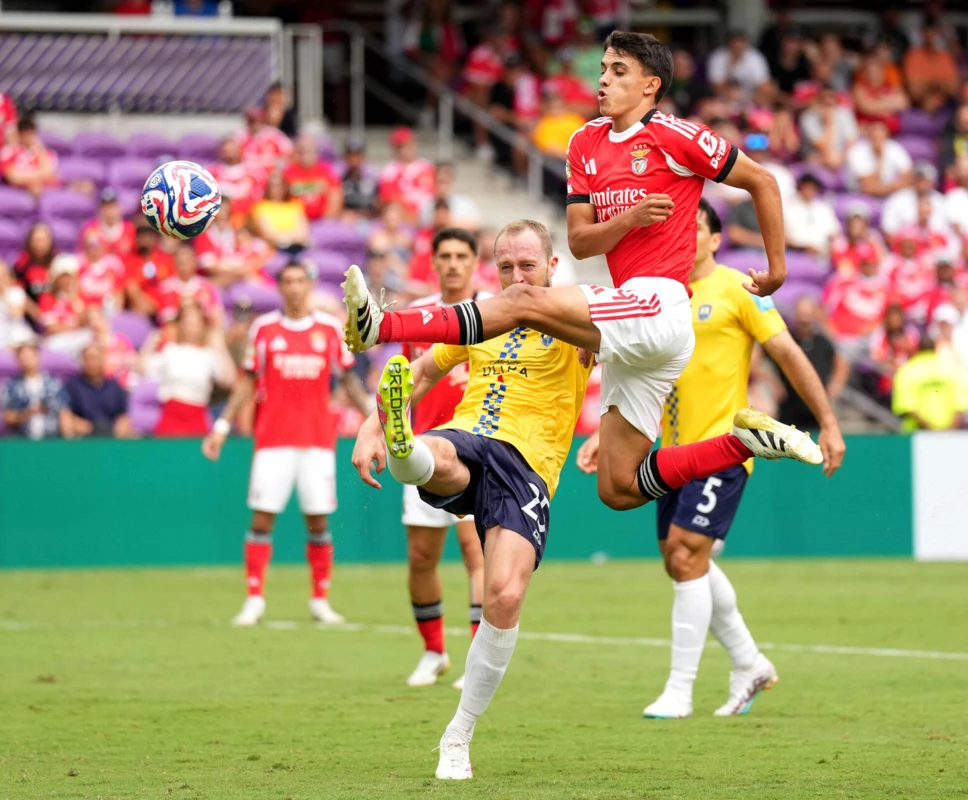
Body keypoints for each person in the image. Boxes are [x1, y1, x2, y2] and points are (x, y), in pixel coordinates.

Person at [342, 31, 825, 522]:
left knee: (522, 299)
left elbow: (762, 180)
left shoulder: (677, 136)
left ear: (650, 85)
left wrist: (778, 269)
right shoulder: (584, 142)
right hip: (634, 317)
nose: (603, 80)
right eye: (603, 70)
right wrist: (629, 219)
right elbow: (580, 241)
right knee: (618, 486)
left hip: (659, 304)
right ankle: (742, 443)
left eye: (619, 71)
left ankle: (381, 325)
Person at [576, 202, 846, 721]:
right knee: (682, 561)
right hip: (669, 454)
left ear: (717, 240)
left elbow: (788, 353)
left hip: (723, 448)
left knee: (685, 554)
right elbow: (635, 369)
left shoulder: (738, 289)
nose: (685, 234)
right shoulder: (660, 294)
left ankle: (679, 691)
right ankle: (749, 663)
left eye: (695, 227)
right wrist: (606, 437)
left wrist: (828, 422)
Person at [350, 220, 591, 780]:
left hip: (529, 468)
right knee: (438, 452)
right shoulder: (483, 318)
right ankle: (404, 445)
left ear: (552, 267)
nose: (516, 276)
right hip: (471, 435)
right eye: (506, 267)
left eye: (527, 265)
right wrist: (369, 426)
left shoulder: (579, 316)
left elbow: (635, 350)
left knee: (504, 595)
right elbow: (421, 371)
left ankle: (458, 733)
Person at [202, 261, 372, 628]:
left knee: (318, 520)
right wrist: (222, 426)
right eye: (288, 281)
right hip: (273, 440)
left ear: (310, 285)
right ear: (280, 287)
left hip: (317, 441)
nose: (294, 287)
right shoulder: (264, 329)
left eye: (300, 281)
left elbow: (348, 381)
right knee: (262, 517)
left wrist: (378, 422)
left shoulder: (329, 329)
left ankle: (320, 600)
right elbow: (247, 381)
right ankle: (254, 599)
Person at [398, 229, 492, 689]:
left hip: (478, 449)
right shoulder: (419, 317)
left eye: (461, 255)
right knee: (421, 558)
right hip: (424, 450)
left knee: (477, 553)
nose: (453, 263)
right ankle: (434, 652)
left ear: (475, 261)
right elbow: (406, 383)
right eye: (445, 256)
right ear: (434, 263)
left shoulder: (495, 311)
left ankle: (476, 657)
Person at [142, 302, 234, 437]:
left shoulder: (209, 355)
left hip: (197, 420)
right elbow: (142, 368)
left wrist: (221, 346)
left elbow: (229, 381)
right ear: (180, 324)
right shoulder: (170, 350)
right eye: (188, 322)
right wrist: (149, 343)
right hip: (170, 420)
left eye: (196, 323)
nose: (192, 328)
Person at [777, 295, 849, 429]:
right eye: (802, 315)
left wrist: (835, 386)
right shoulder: (787, 339)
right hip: (789, 404)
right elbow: (760, 359)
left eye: (808, 315)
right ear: (796, 315)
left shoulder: (823, 342)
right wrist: (772, 382)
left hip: (818, 404)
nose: (805, 320)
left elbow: (841, 362)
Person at [892, 335, 968, 431]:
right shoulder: (952, 369)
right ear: (935, 347)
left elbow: (907, 406)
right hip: (949, 432)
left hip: (917, 434)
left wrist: (930, 429)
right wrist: (949, 430)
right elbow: (961, 403)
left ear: (917, 348)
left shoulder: (907, 370)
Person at [61, 342, 132, 438]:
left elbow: (124, 417)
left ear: (102, 360)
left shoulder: (114, 387)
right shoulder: (72, 386)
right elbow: (65, 415)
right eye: (87, 358)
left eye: (94, 358)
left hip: (110, 437)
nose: (91, 362)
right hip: (83, 438)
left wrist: (119, 429)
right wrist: (83, 427)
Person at [1, 339, 66, 439]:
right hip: (22, 441)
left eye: (29, 357)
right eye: (23, 358)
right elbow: (7, 417)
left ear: (38, 357)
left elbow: (64, 412)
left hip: (50, 440)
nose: (27, 361)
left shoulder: (53, 384)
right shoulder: (11, 386)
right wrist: (26, 413)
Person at [378, 127, 437, 221]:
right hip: (405, 220)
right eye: (400, 146)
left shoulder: (427, 167)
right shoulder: (390, 171)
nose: (405, 149)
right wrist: (413, 219)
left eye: (408, 144)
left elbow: (437, 192)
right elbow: (388, 199)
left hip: (430, 215)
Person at [799, 84, 859, 172]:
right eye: (824, 101)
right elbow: (822, 146)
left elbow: (852, 141)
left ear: (835, 100)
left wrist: (841, 157)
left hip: (841, 154)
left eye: (830, 102)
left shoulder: (844, 113)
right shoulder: (808, 117)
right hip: (817, 155)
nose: (827, 106)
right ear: (817, 100)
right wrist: (829, 122)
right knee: (815, 159)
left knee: (856, 155)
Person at [846, 119, 914, 197]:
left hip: (892, 193)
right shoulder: (857, 151)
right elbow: (867, 186)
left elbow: (908, 176)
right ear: (868, 135)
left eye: (880, 136)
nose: (878, 140)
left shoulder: (894, 148)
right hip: (860, 195)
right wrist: (879, 158)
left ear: (886, 134)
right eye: (875, 137)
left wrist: (891, 187)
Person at [282, 133, 342, 221]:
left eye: (309, 149)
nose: (306, 153)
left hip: (322, 221)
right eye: (302, 150)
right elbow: (281, 197)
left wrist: (325, 221)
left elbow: (335, 197)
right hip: (295, 221)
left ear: (316, 151)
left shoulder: (326, 170)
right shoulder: (288, 171)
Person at [903, 22, 960, 112]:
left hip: (945, 106)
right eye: (928, 32)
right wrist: (940, 84)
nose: (931, 36)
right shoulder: (913, 55)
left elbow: (954, 88)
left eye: (934, 32)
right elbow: (914, 90)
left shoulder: (945, 56)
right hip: (918, 106)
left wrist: (926, 84)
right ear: (922, 33)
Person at [0, 116, 58, 194]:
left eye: (31, 133)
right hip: (20, 190)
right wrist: (35, 179)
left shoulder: (42, 152)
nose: (29, 137)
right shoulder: (8, 152)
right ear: (19, 134)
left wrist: (29, 177)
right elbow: (13, 177)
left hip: (42, 188)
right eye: (26, 133)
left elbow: (49, 174)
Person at [124, 222, 174, 317]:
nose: (144, 239)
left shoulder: (165, 259)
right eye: (141, 236)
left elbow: (173, 282)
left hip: (165, 303)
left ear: (155, 238)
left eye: (148, 236)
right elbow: (131, 287)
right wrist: (150, 305)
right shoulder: (130, 260)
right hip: (144, 306)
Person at [783, 173, 840, 255]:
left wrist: (829, 249)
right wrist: (805, 247)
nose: (809, 190)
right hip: (797, 252)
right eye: (806, 186)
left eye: (812, 187)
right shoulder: (788, 208)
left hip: (822, 252)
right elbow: (785, 237)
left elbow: (834, 233)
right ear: (800, 187)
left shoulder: (823, 208)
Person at [706, 31, 771, 98]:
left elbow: (764, 85)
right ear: (728, 45)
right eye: (734, 47)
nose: (738, 50)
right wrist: (730, 65)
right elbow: (716, 86)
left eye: (740, 47)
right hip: (725, 96)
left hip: (751, 96)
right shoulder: (718, 57)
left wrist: (748, 96)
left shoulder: (755, 57)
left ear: (746, 44)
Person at [80, 189, 135, 258]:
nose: (109, 211)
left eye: (112, 206)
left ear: (120, 207)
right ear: (99, 209)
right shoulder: (90, 229)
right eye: (105, 207)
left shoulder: (130, 228)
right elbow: (83, 257)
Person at [339, 138, 378, 217]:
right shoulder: (339, 178)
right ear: (345, 157)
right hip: (345, 219)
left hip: (369, 219)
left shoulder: (373, 178)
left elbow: (378, 205)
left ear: (363, 156)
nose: (354, 159)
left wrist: (360, 215)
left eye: (357, 155)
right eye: (351, 155)